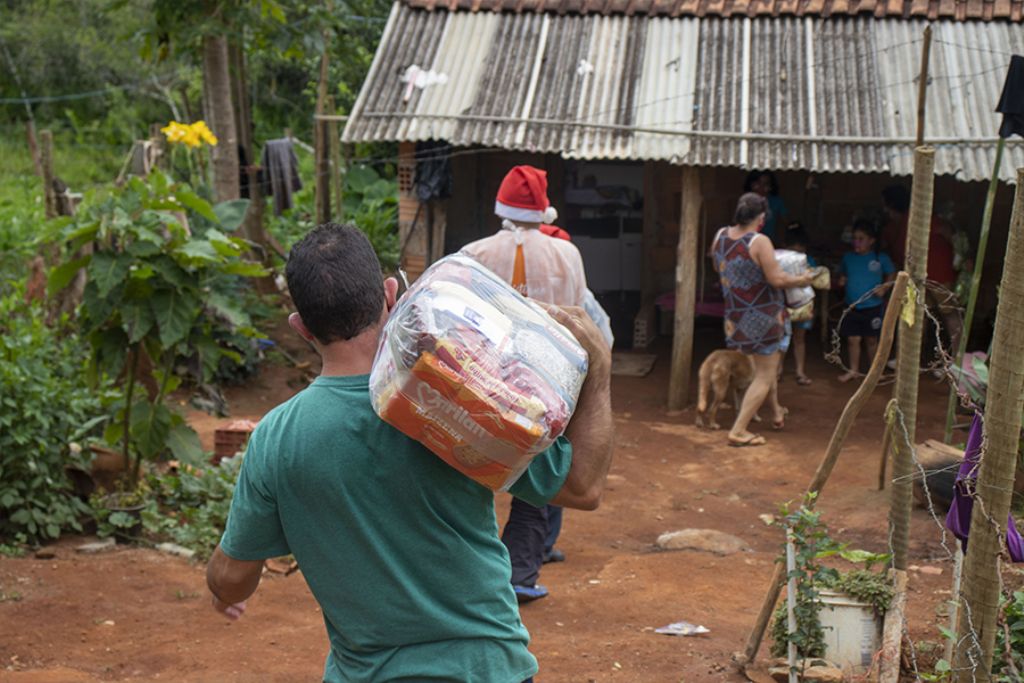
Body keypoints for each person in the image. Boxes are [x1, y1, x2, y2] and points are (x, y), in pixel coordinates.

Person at [206, 223, 614, 683]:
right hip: (485, 669)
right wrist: (597, 374)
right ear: (390, 293)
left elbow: (233, 578)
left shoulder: (276, 440)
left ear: (301, 327)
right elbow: (584, 486)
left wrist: (221, 584)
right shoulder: (457, 398)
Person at [461, 165, 589, 603]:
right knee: (541, 477)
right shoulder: (566, 254)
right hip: (548, 381)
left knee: (464, 474)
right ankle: (521, 573)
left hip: (484, 379)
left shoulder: (474, 253)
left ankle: (466, 573)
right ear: (542, 210)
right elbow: (578, 314)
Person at [712, 193, 815, 447]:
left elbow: (720, 268)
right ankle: (738, 430)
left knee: (758, 371)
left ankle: (776, 412)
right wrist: (802, 280)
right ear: (761, 218)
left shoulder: (720, 236)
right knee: (766, 375)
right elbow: (777, 280)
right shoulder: (759, 241)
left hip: (735, 317)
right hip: (764, 318)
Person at [880, 185, 961, 356]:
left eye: (886, 206)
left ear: (892, 205)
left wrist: (960, 254)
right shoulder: (899, 224)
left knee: (949, 314)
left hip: (938, 275)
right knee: (918, 316)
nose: (885, 210)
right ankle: (911, 360)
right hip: (919, 277)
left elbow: (949, 233)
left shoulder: (920, 218)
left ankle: (957, 357)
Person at [837, 219, 896, 383]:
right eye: (854, 238)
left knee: (872, 340)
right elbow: (842, 274)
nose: (857, 242)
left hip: (873, 306)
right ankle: (853, 370)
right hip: (852, 306)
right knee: (852, 339)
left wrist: (884, 288)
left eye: (861, 239)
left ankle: (875, 371)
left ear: (872, 241)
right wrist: (842, 280)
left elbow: (891, 273)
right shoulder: (848, 258)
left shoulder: (880, 258)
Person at [781, 222, 815, 386]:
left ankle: (799, 371)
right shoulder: (779, 260)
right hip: (784, 304)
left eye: (800, 252)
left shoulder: (809, 261)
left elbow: (815, 277)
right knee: (781, 339)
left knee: (799, 338)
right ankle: (777, 371)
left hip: (801, 304)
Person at [744, 170, 787, 246]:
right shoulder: (745, 201)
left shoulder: (776, 202)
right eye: (757, 183)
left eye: (766, 184)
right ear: (751, 184)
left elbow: (785, 223)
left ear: (771, 187)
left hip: (769, 244)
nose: (761, 187)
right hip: (749, 244)